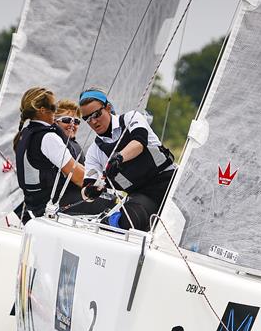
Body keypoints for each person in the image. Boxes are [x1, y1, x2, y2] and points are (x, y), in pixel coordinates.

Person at [78, 87, 175, 231]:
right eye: (87, 119)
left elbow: (139, 143)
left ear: (108, 108)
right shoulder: (94, 151)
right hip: (143, 195)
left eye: (97, 114)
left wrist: (119, 158)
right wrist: (90, 192)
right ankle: (109, 221)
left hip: (169, 183)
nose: (93, 122)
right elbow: (87, 190)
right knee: (131, 221)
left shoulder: (132, 117)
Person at [14, 87, 111, 223]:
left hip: (36, 204)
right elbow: (76, 176)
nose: (55, 109)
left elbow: (75, 167)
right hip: (52, 206)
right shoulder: (48, 137)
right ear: (42, 110)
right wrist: (109, 186)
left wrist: (102, 177)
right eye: (53, 106)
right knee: (115, 206)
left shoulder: (26, 134)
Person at [54, 99, 84, 165]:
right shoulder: (53, 143)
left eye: (76, 121)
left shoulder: (75, 145)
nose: (72, 124)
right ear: (55, 122)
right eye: (67, 120)